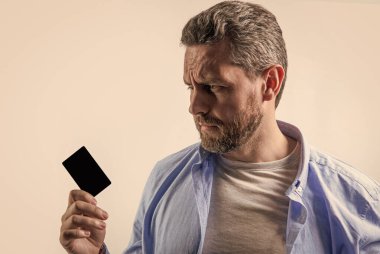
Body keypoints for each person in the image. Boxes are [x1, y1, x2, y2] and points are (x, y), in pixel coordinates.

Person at [59, 1, 380, 253]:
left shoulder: (356, 203)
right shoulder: (163, 180)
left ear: (270, 82)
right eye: (191, 87)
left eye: (214, 87)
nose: (194, 106)